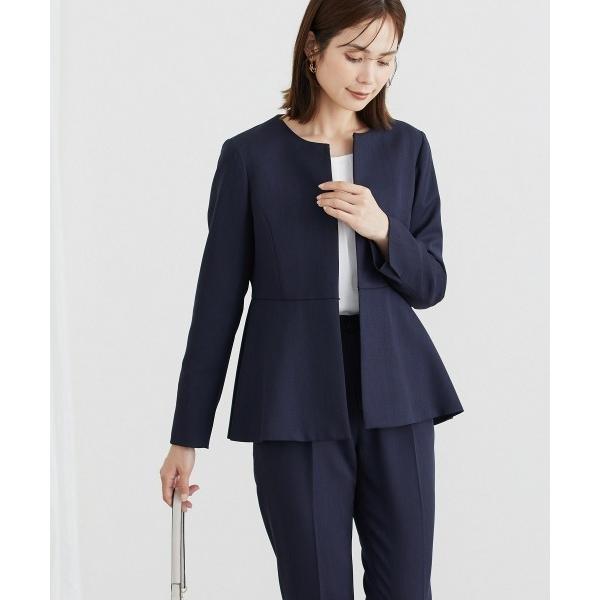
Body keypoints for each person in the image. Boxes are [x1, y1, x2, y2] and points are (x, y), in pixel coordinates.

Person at [160, 1, 464, 597]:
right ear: (312, 48)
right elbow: (216, 306)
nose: (369, 75)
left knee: (407, 588)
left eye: (385, 60)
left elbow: (430, 284)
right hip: (292, 394)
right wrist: (185, 436)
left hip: (398, 391)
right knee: (315, 587)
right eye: (354, 55)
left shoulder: (409, 148)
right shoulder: (250, 156)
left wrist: (383, 229)